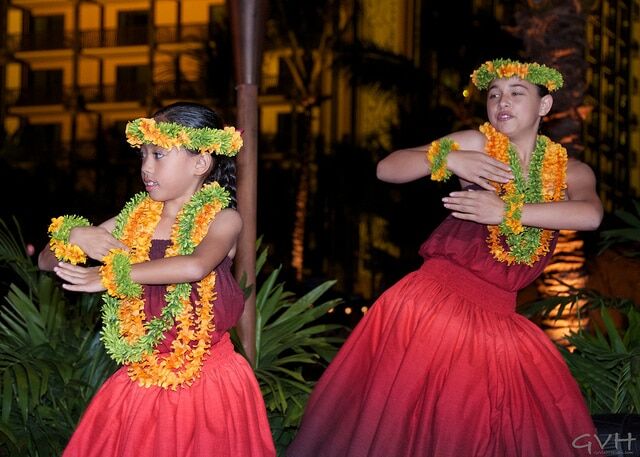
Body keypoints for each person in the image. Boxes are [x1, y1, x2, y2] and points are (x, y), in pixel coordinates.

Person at [287, 58, 603, 457]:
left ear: (544, 105)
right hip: (434, 305)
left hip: (500, 316)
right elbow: (388, 168)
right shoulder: (478, 143)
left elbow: (590, 215)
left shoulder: (571, 172)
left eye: (516, 93)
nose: (501, 102)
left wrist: (506, 211)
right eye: (493, 95)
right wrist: (446, 158)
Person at [38, 101, 276, 457]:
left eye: (159, 155)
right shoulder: (132, 220)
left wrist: (113, 275)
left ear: (200, 163)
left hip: (211, 384)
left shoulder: (223, 220)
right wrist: (75, 236)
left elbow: (195, 266)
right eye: (143, 156)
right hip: (142, 379)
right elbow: (45, 261)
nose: (146, 168)